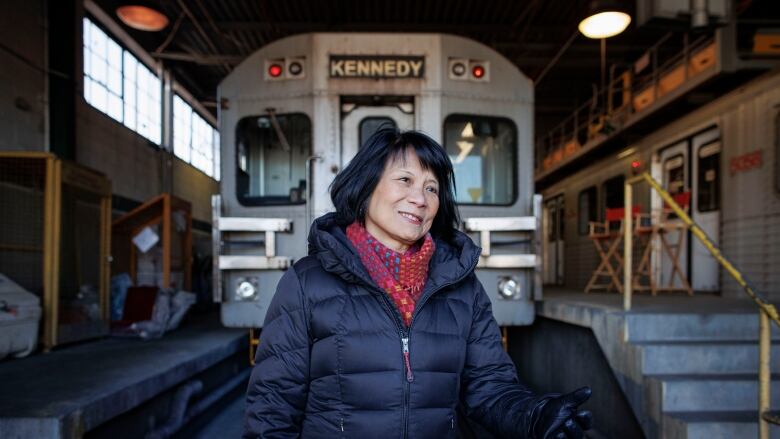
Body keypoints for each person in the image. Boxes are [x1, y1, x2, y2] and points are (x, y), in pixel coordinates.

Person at [244, 128, 593, 438]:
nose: (421, 199)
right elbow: (273, 405)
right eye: (405, 180)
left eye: (432, 188)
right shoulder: (308, 282)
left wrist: (532, 416)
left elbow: (489, 387)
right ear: (366, 188)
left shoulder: (462, 288)